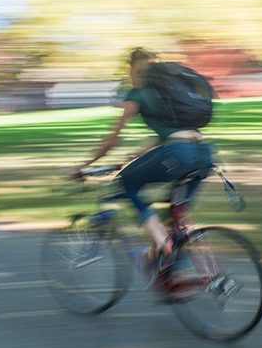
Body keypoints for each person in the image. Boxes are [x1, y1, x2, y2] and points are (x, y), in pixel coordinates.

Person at [77, 48, 214, 268]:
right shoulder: (169, 92)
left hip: (178, 153)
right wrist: (134, 156)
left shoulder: (138, 92)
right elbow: (168, 133)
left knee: (125, 182)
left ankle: (162, 242)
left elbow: (112, 138)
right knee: (175, 214)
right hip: (204, 153)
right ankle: (177, 276)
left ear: (132, 68)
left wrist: (84, 165)